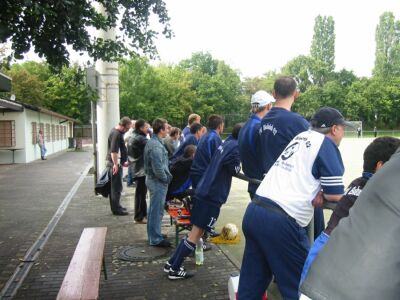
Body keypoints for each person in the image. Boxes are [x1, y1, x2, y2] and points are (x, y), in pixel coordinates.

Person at [238, 107, 349, 299]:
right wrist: (327, 193)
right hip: (281, 221)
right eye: (342, 128)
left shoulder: (301, 137)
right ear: (334, 129)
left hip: (255, 210)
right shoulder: (326, 143)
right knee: (303, 287)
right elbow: (335, 195)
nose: (343, 133)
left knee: (251, 286)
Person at [301, 147, 400, 299]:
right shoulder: (383, 188)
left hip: (325, 247)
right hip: (354, 262)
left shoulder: (357, 183)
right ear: (381, 166)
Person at [164, 124, 242, 280]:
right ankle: (175, 269)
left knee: (194, 232)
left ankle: (171, 263)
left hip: (204, 190)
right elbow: (235, 169)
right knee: (196, 234)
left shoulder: (227, 142)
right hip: (212, 195)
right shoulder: (235, 147)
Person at [258, 76, 325, 238]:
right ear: (296, 94)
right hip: (293, 198)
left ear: (274, 93)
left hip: (270, 193)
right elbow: (318, 154)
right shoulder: (296, 122)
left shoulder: (265, 119)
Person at [238, 90, 275, 198]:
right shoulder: (260, 127)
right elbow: (265, 158)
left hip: (253, 181)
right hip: (262, 185)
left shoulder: (245, 126)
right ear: (268, 106)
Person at [144, 118, 172, 247]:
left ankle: (154, 233)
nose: (168, 130)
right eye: (166, 128)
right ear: (161, 130)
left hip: (154, 181)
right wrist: (166, 179)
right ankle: (155, 238)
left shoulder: (155, 142)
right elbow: (158, 169)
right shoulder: (155, 145)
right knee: (156, 211)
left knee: (154, 210)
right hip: (157, 182)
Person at [106, 116, 131, 216]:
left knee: (116, 186)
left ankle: (117, 206)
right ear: (123, 126)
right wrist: (116, 164)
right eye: (127, 128)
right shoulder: (116, 134)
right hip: (114, 164)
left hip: (115, 163)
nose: (127, 131)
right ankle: (116, 209)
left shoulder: (116, 132)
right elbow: (114, 151)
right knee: (116, 187)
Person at [190, 114, 224, 188]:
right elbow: (217, 160)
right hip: (203, 176)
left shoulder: (205, 136)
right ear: (220, 126)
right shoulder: (215, 138)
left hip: (197, 174)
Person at [128, 119, 150, 224]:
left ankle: (140, 215)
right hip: (141, 169)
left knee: (139, 193)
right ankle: (140, 216)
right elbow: (153, 147)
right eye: (146, 127)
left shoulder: (132, 136)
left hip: (135, 168)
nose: (148, 129)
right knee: (141, 194)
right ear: (141, 128)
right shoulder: (141, 138)